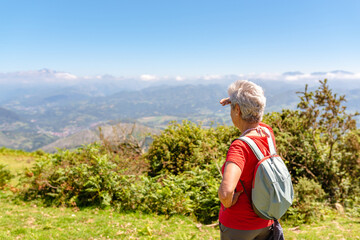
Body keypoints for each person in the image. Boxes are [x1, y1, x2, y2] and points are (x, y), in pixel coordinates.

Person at [218, 80, 275, 240]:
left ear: (237, 110)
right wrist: (237, 102)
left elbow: (226, 191)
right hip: (266, 220)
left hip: (239, 226)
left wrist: (227, 202)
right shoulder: (267, 133)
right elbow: (253, 118)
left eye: (233, 108)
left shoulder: (240, 147)